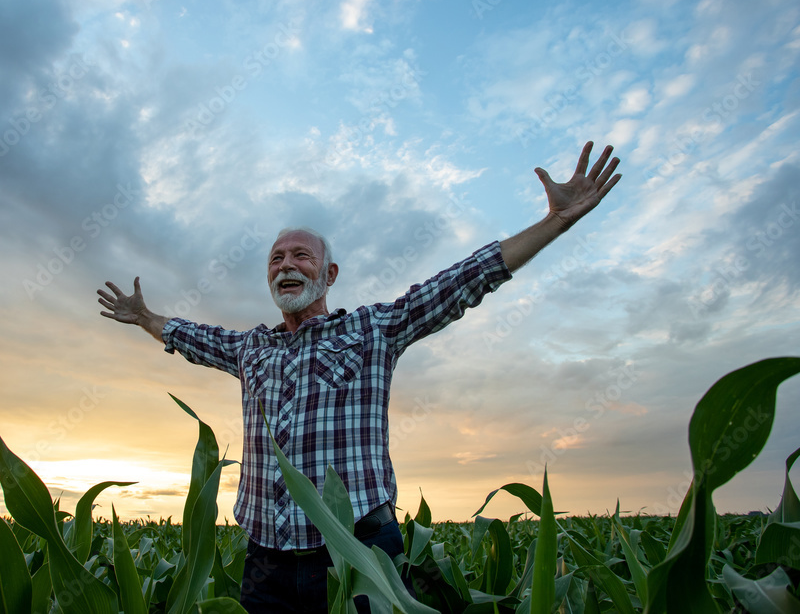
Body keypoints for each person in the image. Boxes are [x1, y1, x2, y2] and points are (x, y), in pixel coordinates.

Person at [97, 141, 621, 613]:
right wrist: (145, 318)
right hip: (266, 560)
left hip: (358, 552)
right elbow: (192, 336)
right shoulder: (252, 349)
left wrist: (554, 222)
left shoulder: (373, 330)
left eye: (302, 255)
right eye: (277, 258)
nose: (287, 265)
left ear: (329, 275)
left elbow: (463, 281)